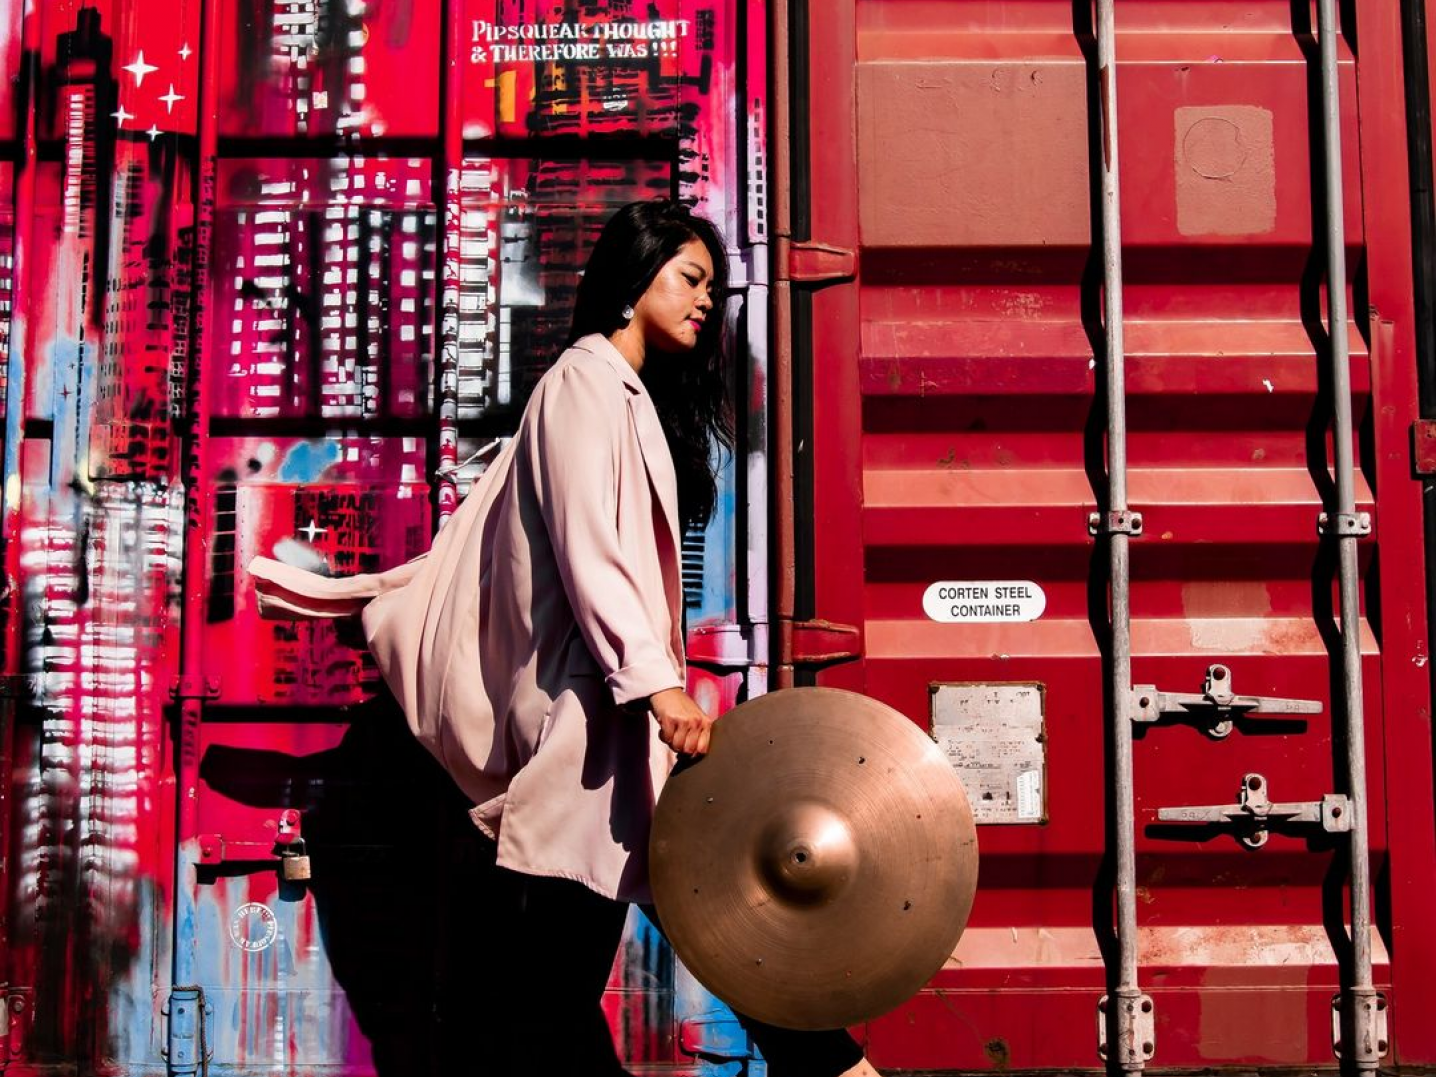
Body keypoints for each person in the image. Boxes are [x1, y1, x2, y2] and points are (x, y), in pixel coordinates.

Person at [250, 199, 880, 1076]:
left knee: (642, 944)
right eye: (691, 280)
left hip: (605, 737)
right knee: (579, 974)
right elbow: (594, 549)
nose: (706, 302)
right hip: (585, 738)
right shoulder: (583, 382)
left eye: (712, 288)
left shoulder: (618, 395)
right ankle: (829, 1063)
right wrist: (656, 684)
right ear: (633, 281)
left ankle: (827, 1061)